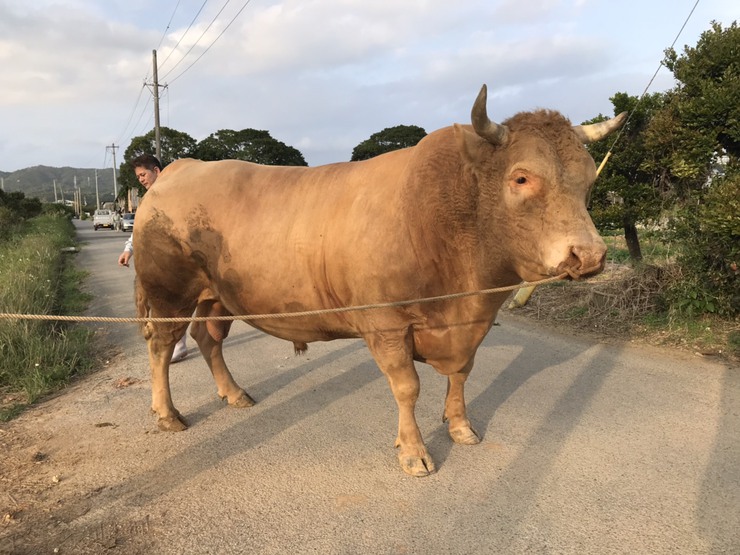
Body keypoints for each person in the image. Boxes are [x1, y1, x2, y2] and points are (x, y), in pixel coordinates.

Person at [117, 154, 189, 363]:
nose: (141, 179)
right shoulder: (148, 199)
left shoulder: (176, 194)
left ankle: (177, 345)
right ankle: (175, 343)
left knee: (173, 303)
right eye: (138, 176)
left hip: (176, 259)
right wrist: (128, 250)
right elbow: (139, 230)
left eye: (143, 174)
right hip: (157, 260)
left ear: (156, 171)